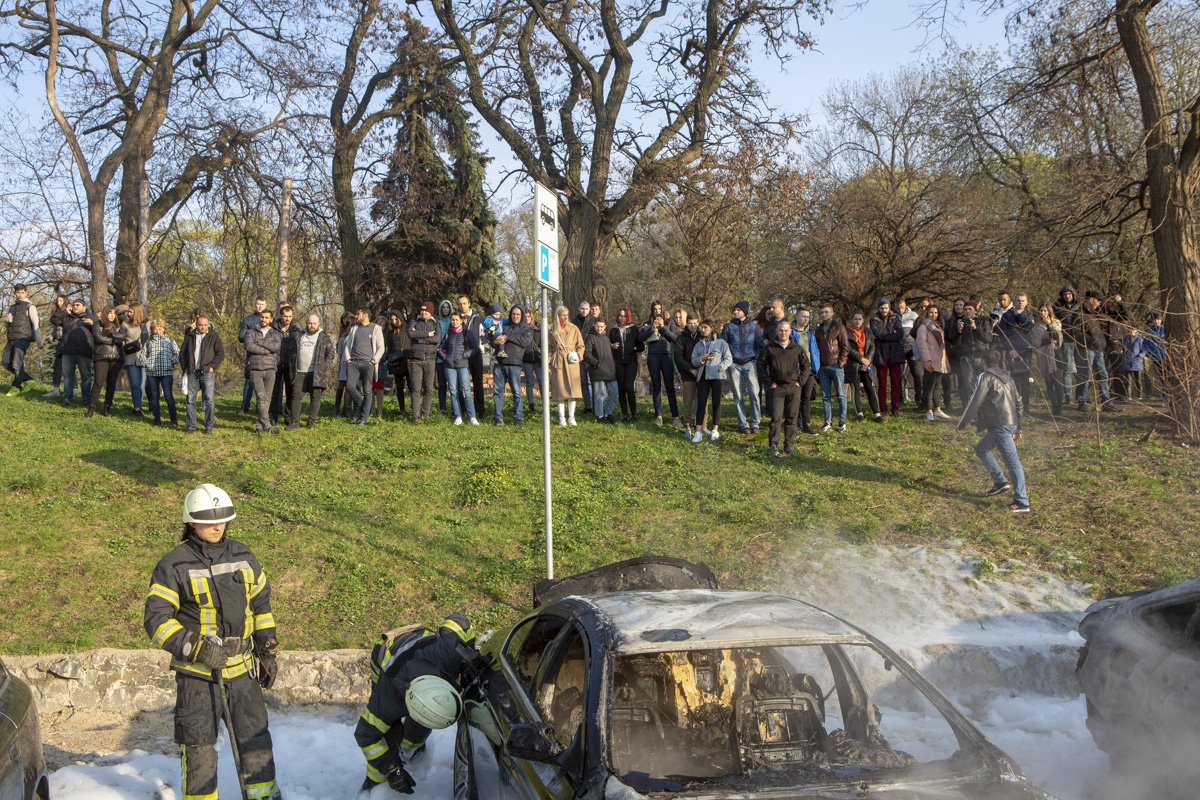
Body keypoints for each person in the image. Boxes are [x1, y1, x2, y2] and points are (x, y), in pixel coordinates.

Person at [144, 483, 282, 800]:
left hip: (242, 672)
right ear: (191, 522)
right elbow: (156, 620)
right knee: (199, 750)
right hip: (198, 677)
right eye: (208, 521)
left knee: (256, 742)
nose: (217, 526)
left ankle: (264, 796)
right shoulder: (173, 565)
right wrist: (197, 648)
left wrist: (268, 650)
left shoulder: (245, 556)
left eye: (222, 520)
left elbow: (261, 606)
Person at [355, 613, 482, 794]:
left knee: (419, 729)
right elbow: (366, 735)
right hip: (385, 657)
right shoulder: (388, 700)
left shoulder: (449, 652)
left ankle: (411, 751)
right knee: (388, 735)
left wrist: (468, 656)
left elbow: (459, 620)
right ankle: (372, 787)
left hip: (419, 648)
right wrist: (392, 770)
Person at [957, 349, 1029, 513]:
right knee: (981, 449)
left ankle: (1022, 501)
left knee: (1012, 462)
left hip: (1000, 425)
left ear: (984, 362)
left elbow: (974, 401)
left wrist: (962, 424)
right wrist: (1018, 427)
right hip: (1009, 423)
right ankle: (1000, 482)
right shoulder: (1008, 377)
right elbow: (1019, 402)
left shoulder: (985, 376)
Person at [761, 319, 811, 456]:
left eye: (786, 330)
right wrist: (769, 381)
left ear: (790, 332)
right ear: (777, 331)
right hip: (777, 387)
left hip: (793, 387)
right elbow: (760, 365)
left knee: (791, 417)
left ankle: (788, 445)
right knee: (776, 417)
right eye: (781, 330)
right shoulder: (770, 348)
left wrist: (800, 381)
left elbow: (806, 366)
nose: (783, 333)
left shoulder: (797, 348)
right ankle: (773, 444)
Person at [288, 313, 336, 429]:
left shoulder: (324, 337)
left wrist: (324, 366)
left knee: (315, 397)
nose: (312, 325)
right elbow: (292, 352)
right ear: (306, 323)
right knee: (295, 396)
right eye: (310, 323)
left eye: (314, 323)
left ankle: (311, 423)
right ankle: (294, 422)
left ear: (319, 324)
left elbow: (331, 353)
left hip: (316, 373)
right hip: (299, 372)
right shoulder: (299, 335)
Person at [722, 300, 763, 434]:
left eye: (738, 310)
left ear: (745, 311)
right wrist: (728, 361)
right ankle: (743, 424)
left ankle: (755, 423)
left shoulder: (754, 327)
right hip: (734, 364)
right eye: (734, 309)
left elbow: (760, 345)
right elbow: (723, 345)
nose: (735, 312)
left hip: (750, 363)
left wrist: (755, 359)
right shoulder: (728, 327)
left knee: (754, 394)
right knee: (738, 395)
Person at [181, 313, 223, 435]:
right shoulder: (189, 336)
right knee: (190, 400)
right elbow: (182, 353)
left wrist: (212, 367)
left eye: (205, 325)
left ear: (208, 325)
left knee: (209, 400)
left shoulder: (214, 336)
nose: (203, 327)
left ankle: (209, 426)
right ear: (196, 325)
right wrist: (186, 367)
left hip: (207, 372)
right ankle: (190, 426)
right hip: (192, 372)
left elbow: (220, 354)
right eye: (200, 325)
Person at [690, 319, 732, 442]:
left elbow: (728, 358)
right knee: (701, 403)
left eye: (705, 327)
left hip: (717, 376)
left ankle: (715, 429)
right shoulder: (698, 344)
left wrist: (720, 367)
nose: (702, 330)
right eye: (701, 328)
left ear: (712, 328)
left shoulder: (721, 343)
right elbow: (693, 360)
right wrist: (702, 359)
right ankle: (698, 432)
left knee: (716, 402)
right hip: (703, 376)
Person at [490, 305, 533, 426]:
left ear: (522, 315)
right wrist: (494, 341)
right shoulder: (503, 324)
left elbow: (525, 341)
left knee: (517, 392)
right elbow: (491, 333)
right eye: (513, 314)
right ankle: (498, 417)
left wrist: (508, 337)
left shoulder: (527, 329)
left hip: (515, 363)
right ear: (510, 314)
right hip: (499, 363)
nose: (515, 316)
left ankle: (518, 417)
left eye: (518, 314)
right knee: (498, 392)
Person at [245, 307, 283, 434]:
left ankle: (260, 424)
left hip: (270, 369)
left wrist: (260, 342)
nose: (264, 319)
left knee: (267, 398)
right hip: (255, 369)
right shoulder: (251, 332)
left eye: (267, 317)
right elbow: (249, 346)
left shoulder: (275, 334)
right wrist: (267, 351)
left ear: (271, 319)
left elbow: (276, 347)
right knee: (261, 397)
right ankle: (266, 425)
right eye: (262, 317)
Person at [641, 309, 681, 428]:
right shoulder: (648, 323)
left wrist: (663, 327)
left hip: (666, 354)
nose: (657, 312)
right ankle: (658, 415)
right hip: (653, 355)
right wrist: (652, 328)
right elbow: (640, 338)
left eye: (659, 309)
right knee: (656, 386)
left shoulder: (670, 322)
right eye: (655, 310)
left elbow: (674, 338)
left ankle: (675, 417)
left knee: (670, 386)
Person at [344, 307, 385, 425]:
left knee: (367, 390)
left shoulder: (376, 329)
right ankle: (362, 405)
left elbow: (381, 347)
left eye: (358, 314)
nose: (356, 316)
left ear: (365, 315)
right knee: (350, 386)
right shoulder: (354, 329)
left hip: (368, 363)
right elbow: (347, 345)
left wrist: (374, 360)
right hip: (353, 363)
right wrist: (348, 359)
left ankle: (363, 418)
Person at [439, 311, 480, 426]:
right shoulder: (448, 334)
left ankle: (472, 416)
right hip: (449, 366)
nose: (454, 322)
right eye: (452, 320)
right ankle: (458, 416)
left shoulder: (467, 333)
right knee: (453, 390)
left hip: (463, 365)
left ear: (461, 320)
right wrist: (445, 358)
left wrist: (465, 355)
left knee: (466, 390)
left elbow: (476, 349)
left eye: (457, 319)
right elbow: (440, 349)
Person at [999, 293, 1037, 411]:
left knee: (1026, 381)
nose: (1020, 302)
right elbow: (1002, 335)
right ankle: (1016, 408)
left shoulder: (1029, 315)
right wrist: (1010, 349)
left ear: (1027, 302)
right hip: (1012, 351)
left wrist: (1019, 315)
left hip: (1026, 351)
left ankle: (1026, 408)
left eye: (1023, 301)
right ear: (1014, 302)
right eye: (1018, 300)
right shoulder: (1006, 315)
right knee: (1015, 381)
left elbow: (1029, 327)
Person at [814, 302, 849, 433]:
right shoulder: (818, 330)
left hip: (836, 365)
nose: (824, 314)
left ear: (832, 312)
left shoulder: (839, 327)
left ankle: (842, 421)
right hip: (822, 367)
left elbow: (846, 346)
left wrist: (841, 363)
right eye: (821, 312)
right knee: (825, 396)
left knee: (841, 394)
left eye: (826, 312)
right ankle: (828, 421)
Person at [548, 305, 585, 426]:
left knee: (572, 391)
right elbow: (548, 347)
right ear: (557, 316)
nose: (565, 317)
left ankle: (571, 417)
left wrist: (578, 355)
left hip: (571, 362)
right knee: (560, 391)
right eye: (563, 315)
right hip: (558, 361)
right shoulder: (552, 330)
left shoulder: (574, 328)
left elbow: (581, 345)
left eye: (567, 315)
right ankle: (561, 417)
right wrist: (551, 359)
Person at [3, 283, 42, 395]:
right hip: (11, 338)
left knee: (16, 363)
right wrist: (7, 321)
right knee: (5, 362)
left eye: (22, 292)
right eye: (17, 292)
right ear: (15, 293)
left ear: (26, 293)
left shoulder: (30, 307)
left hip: (23, 338)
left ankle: (16, 387)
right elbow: (10, 324)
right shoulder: (12, 307)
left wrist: (39, 341)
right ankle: (28, 379)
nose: (19, 295)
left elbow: (36, 324)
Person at [916, 304, 952, 421]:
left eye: (936, 313)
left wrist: (945, 361)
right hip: (930, 360)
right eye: (931, 312)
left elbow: (943, 346)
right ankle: (928, 410)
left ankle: (937, 409)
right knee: (929, 386)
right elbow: (922, 344)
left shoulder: (938, 327)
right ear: (927, 313)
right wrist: (926, 359)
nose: (933, 315)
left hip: (940, 360)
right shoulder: (923, 327)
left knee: (937, 386)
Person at [869, 298, 904, 416]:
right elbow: (877, 333)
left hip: (895, 353)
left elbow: (900, 334)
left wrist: (885, 336)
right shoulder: (873, 320)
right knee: (882, 383)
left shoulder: (895, 318)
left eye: (886, 308)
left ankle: (896, 408)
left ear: (889, 308)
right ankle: (883, 408)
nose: (884, 310)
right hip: (881, 354)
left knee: (896, 382)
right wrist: (891, 333)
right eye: (882, 308)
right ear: (878, 309)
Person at [1078, 290, 1112, 411]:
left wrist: (1101, 343)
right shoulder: (1080, 313)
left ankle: (1106, 401)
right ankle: (1082, 401)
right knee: (1086, 375)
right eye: (1098, 301)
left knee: (1103, 374)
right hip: (1087, 348)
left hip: (1098, 349)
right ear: (1092, 300)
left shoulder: (1097, 314)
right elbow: (1076, 333)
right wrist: (1090, 341)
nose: (1099, 304)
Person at [845, 311, 882, 422]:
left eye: (860, 319)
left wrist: (868, 360)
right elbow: (848, 348)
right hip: (853, 364)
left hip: (867, 363)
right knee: (855, 389)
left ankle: (877, 414)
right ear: (851, 320)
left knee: (870, 387)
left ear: (863, 320)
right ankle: (859, 414)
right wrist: (861, 359)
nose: (857, 321)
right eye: (855, 319)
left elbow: (872, 346)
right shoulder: (847, 332)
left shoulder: (868, 331)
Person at [407, 301, 441, 422]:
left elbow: (437, 339)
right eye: (422, 310)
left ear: (430, 312)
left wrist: (419, 338)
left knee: (429, 389)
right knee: (415, 388)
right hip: (416, 360)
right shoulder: (414, 322)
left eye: (426, 310)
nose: (423, 312)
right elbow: (411, 333)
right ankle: (415, 416)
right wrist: (427, 334)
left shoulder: (436, 324)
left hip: (430, 360)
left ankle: (425, 415)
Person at [87, 306, 122, 418]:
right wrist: (113, 340)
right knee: (98, 382)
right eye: (109, 313)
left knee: (111, 384)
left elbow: (121, 341)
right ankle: (91, 408)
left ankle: (107, 408)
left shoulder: (118, 326)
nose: (112, 315)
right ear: (105, 314)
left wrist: (119, 340)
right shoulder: (98, 324)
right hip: (101, 356)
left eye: (114, 313)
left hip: (115, 357)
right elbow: (98, 337)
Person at [672, 310, 703, 437]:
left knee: (702, 401)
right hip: (687, 373)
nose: (692, 326)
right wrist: (690, 369)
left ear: (698, 323)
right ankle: (688, 426)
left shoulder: (703, 335)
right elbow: (678, 357)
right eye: (690, 323)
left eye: (695, 323)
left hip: (702, 373)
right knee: (688, 401)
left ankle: (701, 425)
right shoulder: (681, 337)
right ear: (687, 324)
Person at [144, 318, 180, 426]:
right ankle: (157, 419)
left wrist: (172, 361)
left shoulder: (170, 341)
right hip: (152, 373)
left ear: (164, 329)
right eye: (155, 329)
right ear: (152, 330)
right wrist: (148, 363)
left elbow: (177, 354)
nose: (158, 331)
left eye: (160, 328)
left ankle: (173, 419)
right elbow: (141, 355)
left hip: (166, 372)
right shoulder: (148, 342)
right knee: (155, 396)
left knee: (168, 396)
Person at [269, 304, 301, 426]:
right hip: (276, 363)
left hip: (291, 364)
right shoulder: (273, 327)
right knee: (275, 391)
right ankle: (273, 416)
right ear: (281, 316)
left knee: (290, 391)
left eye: (290, 316)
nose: (288, 319)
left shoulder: (296, 327)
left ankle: (288, 417)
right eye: (285, 316)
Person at [792, 307, 821, 436]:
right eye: (803, 316)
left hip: (810, 370)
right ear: (797, 317)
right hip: (797, 370)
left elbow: (814, 351)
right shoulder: (791, 333)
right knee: (795, 398)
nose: (806, 319)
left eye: (808, 317)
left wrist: (816, 367)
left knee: (806, 398)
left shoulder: (811, 333)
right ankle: (795, 423)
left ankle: (806, 424)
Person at [59, 298, 93, 406]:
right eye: (73, 305)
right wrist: (64, 311)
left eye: (78, 305)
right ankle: (67, 397)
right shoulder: (67, 318)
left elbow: (98, 331)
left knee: (86, 377)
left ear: (84, 307)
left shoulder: (90, 318)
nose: (75, 307)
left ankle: (86, 400)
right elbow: (54, 320)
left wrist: (93, 324)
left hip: (84, 351)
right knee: (68, 376)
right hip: (68, 351)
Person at [457, 295, 487, 419]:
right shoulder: (456, 318)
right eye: (459, 304)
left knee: (478, 383)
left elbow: (485, 334)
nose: (462, 306)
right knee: (462, 384)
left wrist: (482, 347)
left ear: (469, 304)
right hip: (461, 355)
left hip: (475, 355)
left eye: (464, 303)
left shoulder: (478, 318)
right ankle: (462, 410)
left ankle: (480, 411)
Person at [238, 296, 269, 415]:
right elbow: (241, 337)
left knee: (264, 382)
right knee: (249, 381)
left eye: (262, 304)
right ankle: (244, 407)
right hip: (251, 354)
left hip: (266, 355)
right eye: (258, 304)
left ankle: (260, 408)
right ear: (255, 304)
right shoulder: (248, 320)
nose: (260, 306)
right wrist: (254, 339)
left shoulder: (270, 319)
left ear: (265, 305)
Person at [609, 307, 640, 421]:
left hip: (631, 362)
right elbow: (609, 346)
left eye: (624, 316)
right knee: (621, 388)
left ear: (628, 317)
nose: (622, 318)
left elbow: (641, 345)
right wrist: (612, 346)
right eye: (620, 316)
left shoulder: (634, 329)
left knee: (628, 386)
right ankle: (625, 414)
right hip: (618, 363)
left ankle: (634, 414)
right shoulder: (613, 330)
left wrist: (635, 348)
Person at [1034, 303, 1065, 417]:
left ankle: (1059, 408)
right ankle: (1054, 406)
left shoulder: (1056, 323)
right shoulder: (1036, 326)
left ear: (1049, 312)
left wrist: (1049, 325)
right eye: (1041, 311)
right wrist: (1046, 342)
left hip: (1055, 354)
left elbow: (1057, 337)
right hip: (1043, 355)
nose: (1043, 313)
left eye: (1045, 311)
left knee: (1058, 382)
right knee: (1049, 383)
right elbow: (1036, 342)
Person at [584, 317, 617, 423]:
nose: (599, 328)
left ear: (605, 327)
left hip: (610, 371)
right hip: (597, 370)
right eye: (597, 326)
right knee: (600, 395)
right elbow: (586, 354)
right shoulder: (590, 337)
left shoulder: (607, 339)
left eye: (602, 326)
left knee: (614, 392)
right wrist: (596, 363)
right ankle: (600, 416)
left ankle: (608, 413)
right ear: (594, 325)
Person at [119, 301, 149, 416]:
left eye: (131, 311)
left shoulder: (147, 324)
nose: (129, 314)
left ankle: (142, 404)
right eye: (128, 311)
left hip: (144, 357)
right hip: (131, 357)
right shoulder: (125, 324)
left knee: (143, 383)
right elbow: (121, 340)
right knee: (135, 383)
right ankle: (137, 408)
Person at [384, 309, 410, 418]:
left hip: (408, 361)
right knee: (399, 387)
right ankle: (402, 410)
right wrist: (389, 360)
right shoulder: (390, 334)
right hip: (396, 363)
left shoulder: (408, 329)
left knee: (412, 386)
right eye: (392, 319)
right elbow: (389, 349)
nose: (394, 321)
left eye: (396, 319)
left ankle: (415, 409)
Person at [895, 297, 921, 407]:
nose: (900, 310)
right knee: (898, 375)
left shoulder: (914, 315)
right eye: (898, 308)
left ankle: (919, 398)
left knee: (916, 373)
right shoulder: (892, 316)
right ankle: (899, 399)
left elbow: (919, 330)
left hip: (911, 348)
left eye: (902, 307)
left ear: (905, 305)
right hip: (898, 349)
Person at [43, 293, 69, 398]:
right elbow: (57, 327)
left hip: (68, 342)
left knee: (69, 367)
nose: (59, 303)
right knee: (57, 366)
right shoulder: (59, 313)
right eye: (57, 301)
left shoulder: (67, 312)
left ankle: (74, 390)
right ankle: (56, 389)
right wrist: (49, 338)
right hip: (60, 343)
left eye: (61, 301)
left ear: (65, 301)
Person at [573, 300, 595, 412]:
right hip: (578, 354)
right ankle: (588, 406)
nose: (584, 311)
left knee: (593, 381)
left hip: (590, 354)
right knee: (583, 381)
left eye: (586, 309)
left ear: (589, 309)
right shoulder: (573, 321)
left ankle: (596, 405)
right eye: (582, 308)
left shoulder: (593, 321)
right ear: (578, 308)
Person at [521, 309, 542, 414]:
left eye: (529, 316)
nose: (527, 318)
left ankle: (544, 402)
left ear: (532, 317)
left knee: (542, 381)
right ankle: (531, 404)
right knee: (529, 382)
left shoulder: (538, 330)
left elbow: (543, 343)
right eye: (525, 316)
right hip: (527, 360)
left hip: (538, 360)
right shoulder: (521, 330)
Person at [436, 299, 454, 413]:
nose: (445, 309)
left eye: (447, 307)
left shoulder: (454, 321)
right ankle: (443, 408)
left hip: (451, 357)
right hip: (439, 358)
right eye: (443, 307)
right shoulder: (437, 323)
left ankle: (454, 408)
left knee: (453, 385)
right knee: (442, 384)